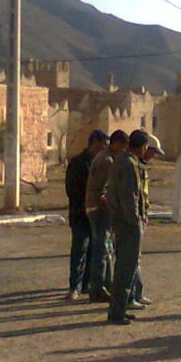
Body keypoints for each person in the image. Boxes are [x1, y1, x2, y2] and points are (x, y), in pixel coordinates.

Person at [106, 130, 164, 325]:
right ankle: (117, 313)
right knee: (126, 267)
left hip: (120, 220)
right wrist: (136, 221)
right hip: (128, 223)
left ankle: (119, 308)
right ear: (143, 146)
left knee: (124, 265)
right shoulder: (130, 165)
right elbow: (130, 197)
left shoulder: (121, 160)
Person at [85, 129, 129, 303]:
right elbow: (102, 191)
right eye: (123, 146)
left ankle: (102, 286)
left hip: (94, 207)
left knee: (102, 249)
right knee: (102, 250)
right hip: (99, 209)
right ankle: (97, 289)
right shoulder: (108, 160)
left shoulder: (103, 156)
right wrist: (112, 208)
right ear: (117, 144)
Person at [64, 129, 108, 301]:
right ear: (93, 143)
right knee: (80, 248)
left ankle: (87, 283)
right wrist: (88, 200)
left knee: (93, 249)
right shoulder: (78, 163)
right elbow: (72, 189)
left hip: (95, 213)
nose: (103, 148)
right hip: (80, 213)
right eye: (102, 145)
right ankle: (74, 285)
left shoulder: (101, 162)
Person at [128, 137, 165, 310]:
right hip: (131, 219)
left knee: (136, 258)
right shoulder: (131, 165)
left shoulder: (140, 166)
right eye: (152, 152)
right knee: (131, 259)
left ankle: (137, 293)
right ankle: (130, 296)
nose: (153, 156)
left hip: (140, 216)